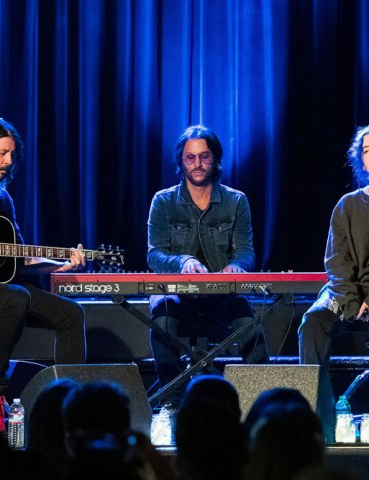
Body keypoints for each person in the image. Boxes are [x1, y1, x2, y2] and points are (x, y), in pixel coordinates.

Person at [147, 124, 269, 418]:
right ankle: (170, 402)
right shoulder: (163, 201)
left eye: (204, 156)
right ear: (181, 161)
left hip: (221, 293)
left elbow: (246, 251)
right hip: (175, 292)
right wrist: (182, 262)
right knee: (161, 317)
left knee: (249, 323)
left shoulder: (235, 200)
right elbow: (154, 255)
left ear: (215, 158)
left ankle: (264, 401)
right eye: (190, 158)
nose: (198, 164)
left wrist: (237, 266)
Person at [0, 114, 87, 433]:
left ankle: (68, 404)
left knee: (71, 313)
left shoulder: (3, 199)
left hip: (0, 289)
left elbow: (20, 258)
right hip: (3, 296)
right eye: (2, 152)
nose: (9, 159)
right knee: (15, 298)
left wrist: (63, 264)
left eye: (12, 153)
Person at [299, 125, 369, 443]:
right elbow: (336, 265)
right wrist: (353, 302)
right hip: (346, 293)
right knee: (312, 322)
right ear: (361, 160)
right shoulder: (347, 205)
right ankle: (319, 429)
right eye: (367, 150)